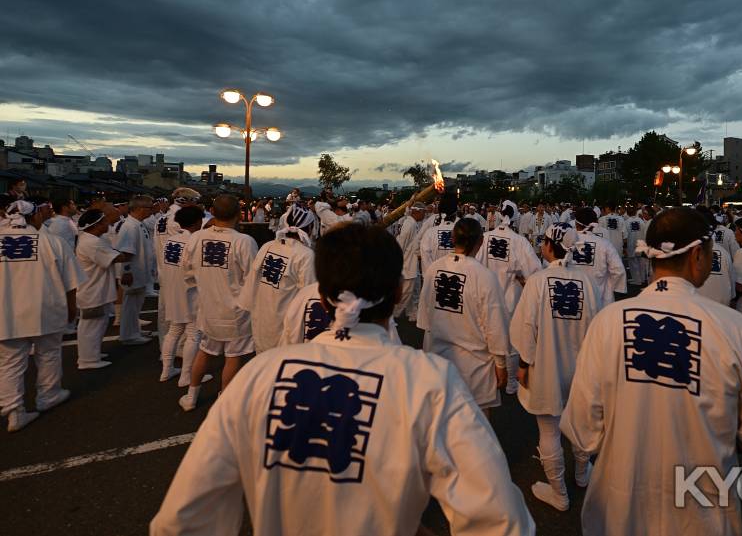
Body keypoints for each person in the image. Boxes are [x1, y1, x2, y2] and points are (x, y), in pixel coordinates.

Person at [151, 224, 534, 536]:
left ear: (319, 297)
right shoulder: (428, 381)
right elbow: (500, 521)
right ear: (399, 293)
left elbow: (182, 520)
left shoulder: (260, 375)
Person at [560, 208, 742, 536]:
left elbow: (583, 427)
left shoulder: (608, 322)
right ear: (697, 255)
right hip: (702, 507)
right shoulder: (736, 328)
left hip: (622, 503)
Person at [510, 222, 603, 511]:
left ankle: (559, 493)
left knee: (549, 428)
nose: (542, 246)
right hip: (581, 366)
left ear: (551, 245)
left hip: (546, 365)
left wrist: (523, 364)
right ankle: (581, 474)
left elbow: (526, 329)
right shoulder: (587, 281)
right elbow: (598, 326)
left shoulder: (538, 282)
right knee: (578, 425)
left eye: (544, 242)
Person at [417, 218, 509, 414]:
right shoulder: (484, 277)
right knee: (478, 428)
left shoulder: (434, 269)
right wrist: (501, 364)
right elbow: (495, 326)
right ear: (481, 242)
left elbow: (425, 318)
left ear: (452, 239)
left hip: (438, 358)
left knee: (442, 423)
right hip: (476, 365)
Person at [0, 201, 78, 432]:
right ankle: (48, 394)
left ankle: (14, 411)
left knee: (9, 362)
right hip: (45, 306)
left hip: (5, 311)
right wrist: (72, 308)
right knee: (49, 353)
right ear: (34, 217)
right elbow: (71, 282)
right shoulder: (52, 242)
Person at [179, 194, 259, 411]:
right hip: (236, 310)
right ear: (239, 214)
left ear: (211, 213)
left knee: (204, 350)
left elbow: (187, 271)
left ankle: (191, 396)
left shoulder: (196, 238)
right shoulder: (244, 241)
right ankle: (224, 400)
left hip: (207, 305)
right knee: (233, 356)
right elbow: (253, 279)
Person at [476, 202, 541, 394]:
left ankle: (490, 377)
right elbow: (535, 271)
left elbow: (474, 263)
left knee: (487, 335)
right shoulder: (519, 241)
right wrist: (522, 277)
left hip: (486, 294)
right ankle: (511, 382)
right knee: (512, 340)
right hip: (511, 295)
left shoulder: (485, 237)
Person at [239, 207, 317, 353]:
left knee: (263, 366)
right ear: (310, 227)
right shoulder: (305, 254)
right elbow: (309, 296)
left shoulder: (268, 246)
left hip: (261, 319)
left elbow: (252, 282)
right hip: (286, 325)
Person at [158, 206, 213, 387]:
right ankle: (187, 375)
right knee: (193, 333)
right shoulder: (197, 241)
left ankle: (166, 370)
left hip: (172, 289)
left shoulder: (171, 240)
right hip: (190, 291)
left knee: (174, 330)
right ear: (198, 221)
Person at [75, 206, 131, 370]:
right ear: (97, 224)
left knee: (97, 323)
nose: (108, 223)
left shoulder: (91, 239)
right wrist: (128, 253)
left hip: (95, 288)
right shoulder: (92, 242)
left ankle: (93, 354)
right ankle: (87, 359)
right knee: (91, 325)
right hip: (92, 290)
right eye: (104, 221)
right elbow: (116, 257)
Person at [113, 195, 157, 345]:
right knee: (130, 305)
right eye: (149, 207)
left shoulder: (138, 223)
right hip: (133, 271)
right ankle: (128, 335)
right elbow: (126, 252)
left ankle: (133, 330)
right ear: (139, 209)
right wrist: (126, 271)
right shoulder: (130, 226)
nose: (151, 210)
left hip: (139, 269)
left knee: (135, 305)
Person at [571, 207, 627, 304]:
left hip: (573, 296)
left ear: (576, 224)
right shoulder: (604, 244)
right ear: (595, 224)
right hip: (599, 296)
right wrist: (609, 287)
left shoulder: (566, 242)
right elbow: (618, 270)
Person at [391, 201, 426, 321]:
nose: (425, 215)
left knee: (415, 291)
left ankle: (413, 313)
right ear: (418, 212)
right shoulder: (409, 224)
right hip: (407, 264)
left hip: (413, 263)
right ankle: (392, 315)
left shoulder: (413, 223)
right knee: (405, 294)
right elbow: (401, 244)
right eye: (424, 212)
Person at [419, 192, 461, 270]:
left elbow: (425, 257)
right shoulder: (462, 230)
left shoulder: (429, 233)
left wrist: (432, 275)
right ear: (455, 213)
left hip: (436, 276)